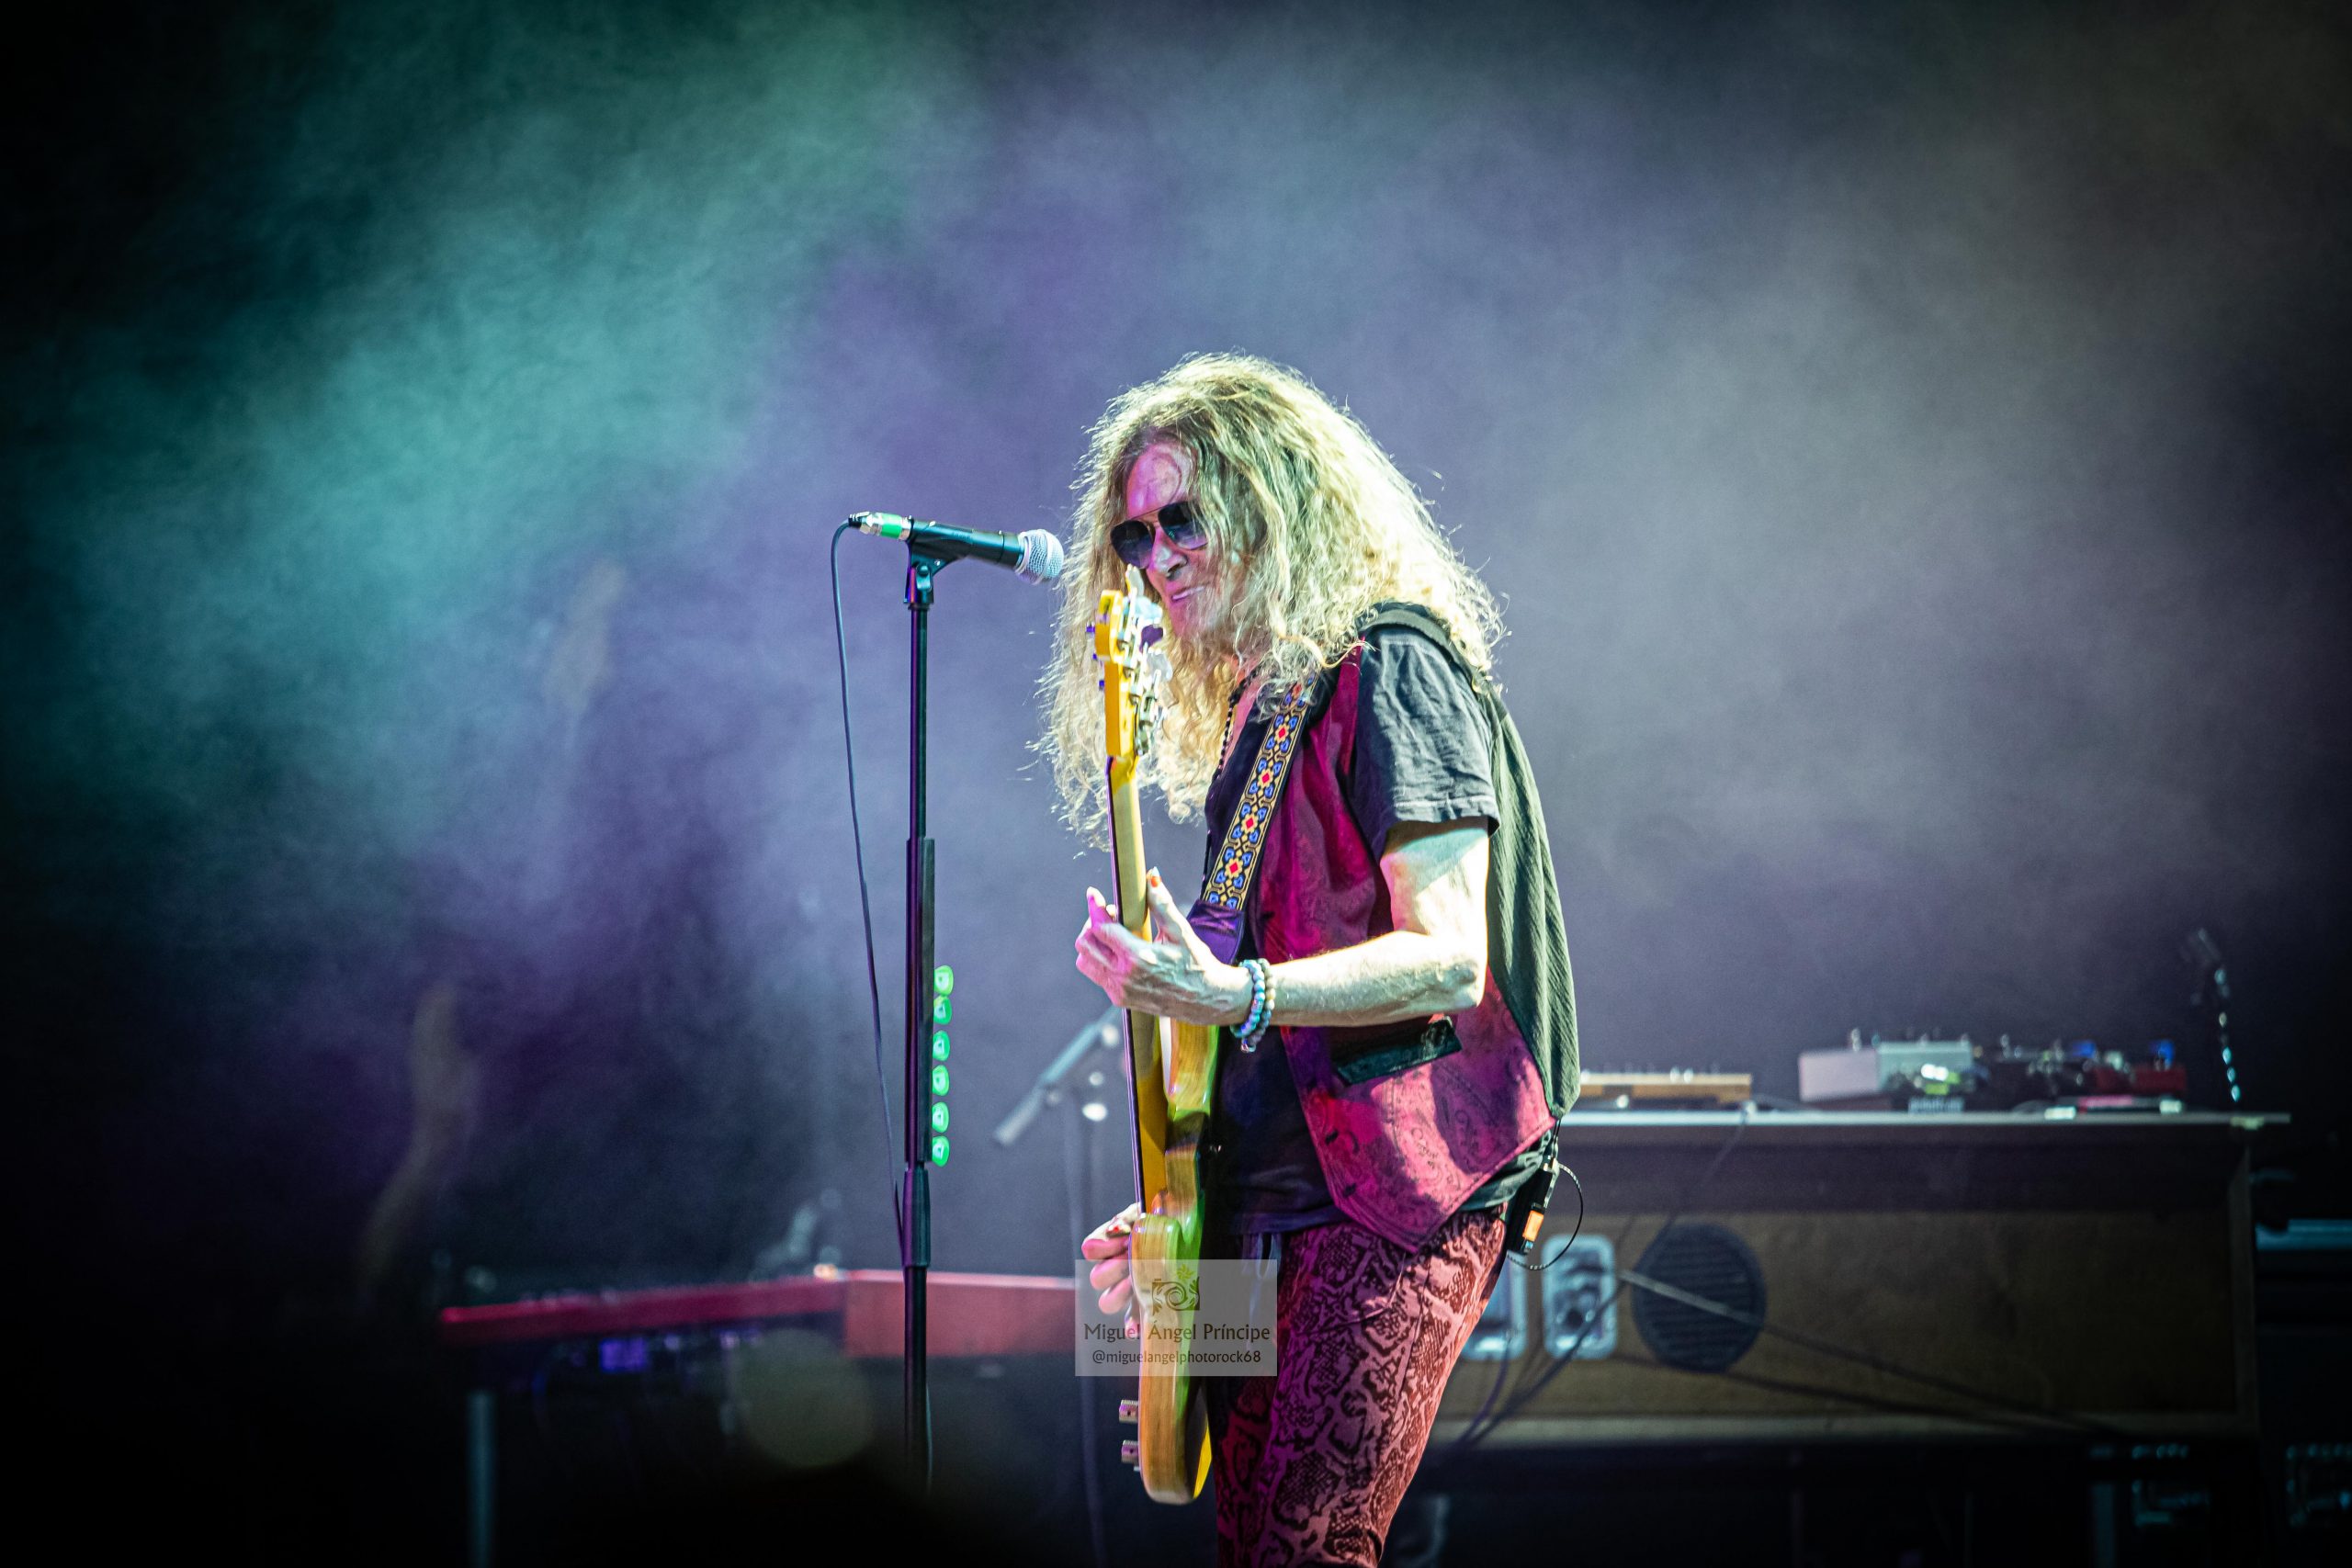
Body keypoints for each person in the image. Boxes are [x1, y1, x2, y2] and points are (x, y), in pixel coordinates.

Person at [1046, 355, 1580, 1565]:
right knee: (1243, 1546)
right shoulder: (1261, 711)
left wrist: (1235, 991)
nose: (1157, 558)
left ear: (1274, 504)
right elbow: (1247, 1046)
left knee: (1308, 1546)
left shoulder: (1393, 663)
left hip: (1394, 1191)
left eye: (1183, 520)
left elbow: (1448, 958)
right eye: (1133, 537)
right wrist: (1178, 1211)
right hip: (1261, 1207)